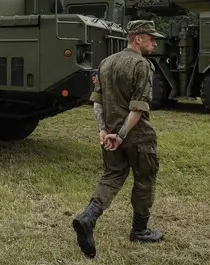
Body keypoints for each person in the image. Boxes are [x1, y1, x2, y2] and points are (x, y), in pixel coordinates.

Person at [71, 19, 166, 259]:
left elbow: (97, 101)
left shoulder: (106, 63)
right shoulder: (142, 65)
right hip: (136, 135)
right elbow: (137, 108)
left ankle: (88, 217)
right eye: (151, 37)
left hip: (110, 132)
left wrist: (103, 131)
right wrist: (122, 135)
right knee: (145, 178)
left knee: (111, 177)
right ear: (137, 39)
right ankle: (140, 230)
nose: (155, 42)